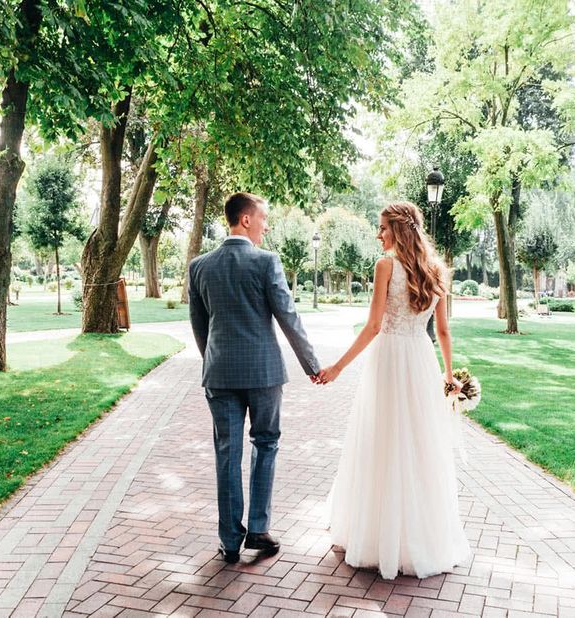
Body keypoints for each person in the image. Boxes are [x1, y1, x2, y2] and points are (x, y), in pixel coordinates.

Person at [318, 201, 471, 580]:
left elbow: (372, 327)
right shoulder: (436, 270)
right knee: (419, 443)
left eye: (382, 227)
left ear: (398, 229)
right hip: (420, 360)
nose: (378, 234)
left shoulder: (385, 266)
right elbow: (444, 332)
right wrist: (449, 375)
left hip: (388, 360)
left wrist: (337, 367)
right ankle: (418, 536)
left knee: (383, 439)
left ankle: (379, 535)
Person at [187, 192, 322, 564]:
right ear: (245, 220)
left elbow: (200, 327)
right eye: (263, 218)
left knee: (228, 453)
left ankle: (230, 541)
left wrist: (214, 361)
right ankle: (258, 530)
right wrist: (312, 365)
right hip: (264, 374)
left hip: (219, 374)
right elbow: (288, 317)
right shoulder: (266, 262)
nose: (266, 225)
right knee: (266, 443)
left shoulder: (199, 266)